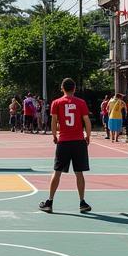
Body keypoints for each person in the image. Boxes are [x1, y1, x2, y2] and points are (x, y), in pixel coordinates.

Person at [39, 78, 93, 214]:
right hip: (78, 141)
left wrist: (54, 136)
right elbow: (87, 121)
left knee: (57, 172)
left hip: (64, 141)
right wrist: (88, 135)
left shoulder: (56, 103)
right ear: (74, 88)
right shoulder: (81, 102)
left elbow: (54, 121)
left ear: (62, 88)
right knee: (79, 173)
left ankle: (50, 202)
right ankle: (82, 202)